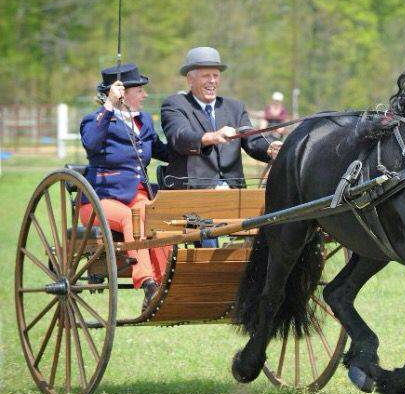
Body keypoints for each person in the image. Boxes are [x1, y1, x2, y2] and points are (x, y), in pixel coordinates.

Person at [79, 63, 170, 311]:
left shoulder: (143, 123)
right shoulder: (95, 120)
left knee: (157, 219)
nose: (145, 95)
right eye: (139, 90)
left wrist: (202, 143)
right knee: (135, 218)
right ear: (121, 92)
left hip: (137, 195)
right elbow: (92, 143)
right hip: (100, 200)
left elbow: (164, 151)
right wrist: (109, 106)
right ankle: (148, 283)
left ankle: (164, 283)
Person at [161, 47, 283, 190]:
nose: (212, 81)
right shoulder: (175, 104)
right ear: (190, 79)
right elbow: (180, 137)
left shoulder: (235, 107)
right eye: (206, 76)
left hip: (234, 194)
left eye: (216, 75)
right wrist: (213, 137)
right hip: (191, 193)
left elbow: (251, 139)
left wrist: (270, 147)